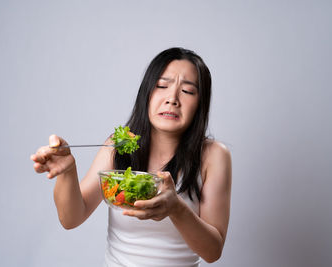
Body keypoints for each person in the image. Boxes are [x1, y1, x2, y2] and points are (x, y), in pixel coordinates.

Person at [30, 47, 232, 266]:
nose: (172, 98)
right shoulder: (119, 144)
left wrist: (176, 208)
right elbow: (71, 219)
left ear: (200, 104)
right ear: (146, 93)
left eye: (188, 91)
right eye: (161, 86)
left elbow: (213, 252)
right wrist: (68, 172)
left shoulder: (214, 155)